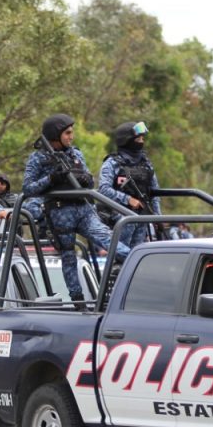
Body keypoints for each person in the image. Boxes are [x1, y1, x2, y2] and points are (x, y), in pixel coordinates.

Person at [22, 114, 129, 302]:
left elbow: (88, 179)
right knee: (69, 257)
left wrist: (86, 180)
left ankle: (134, 266)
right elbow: (28, 189)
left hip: (83, 209)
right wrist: (52, 179)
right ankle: (78, 301)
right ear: (56, 134)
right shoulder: (38, 158)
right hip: (60, 213)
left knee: (110, 240)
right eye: (67, 133)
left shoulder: (75, 153)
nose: (71, 137)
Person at [98, 121, 163, 248]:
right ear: (127, 140)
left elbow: (154, 192)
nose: (142, 142)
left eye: (142, 138)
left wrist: (158, 216)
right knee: (121, 253)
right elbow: (103, 189)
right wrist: (128, 200)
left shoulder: (146, 163)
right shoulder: (112, 163)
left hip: (142, 217)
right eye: (138, 139)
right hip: (120, 218)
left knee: (138, 253)